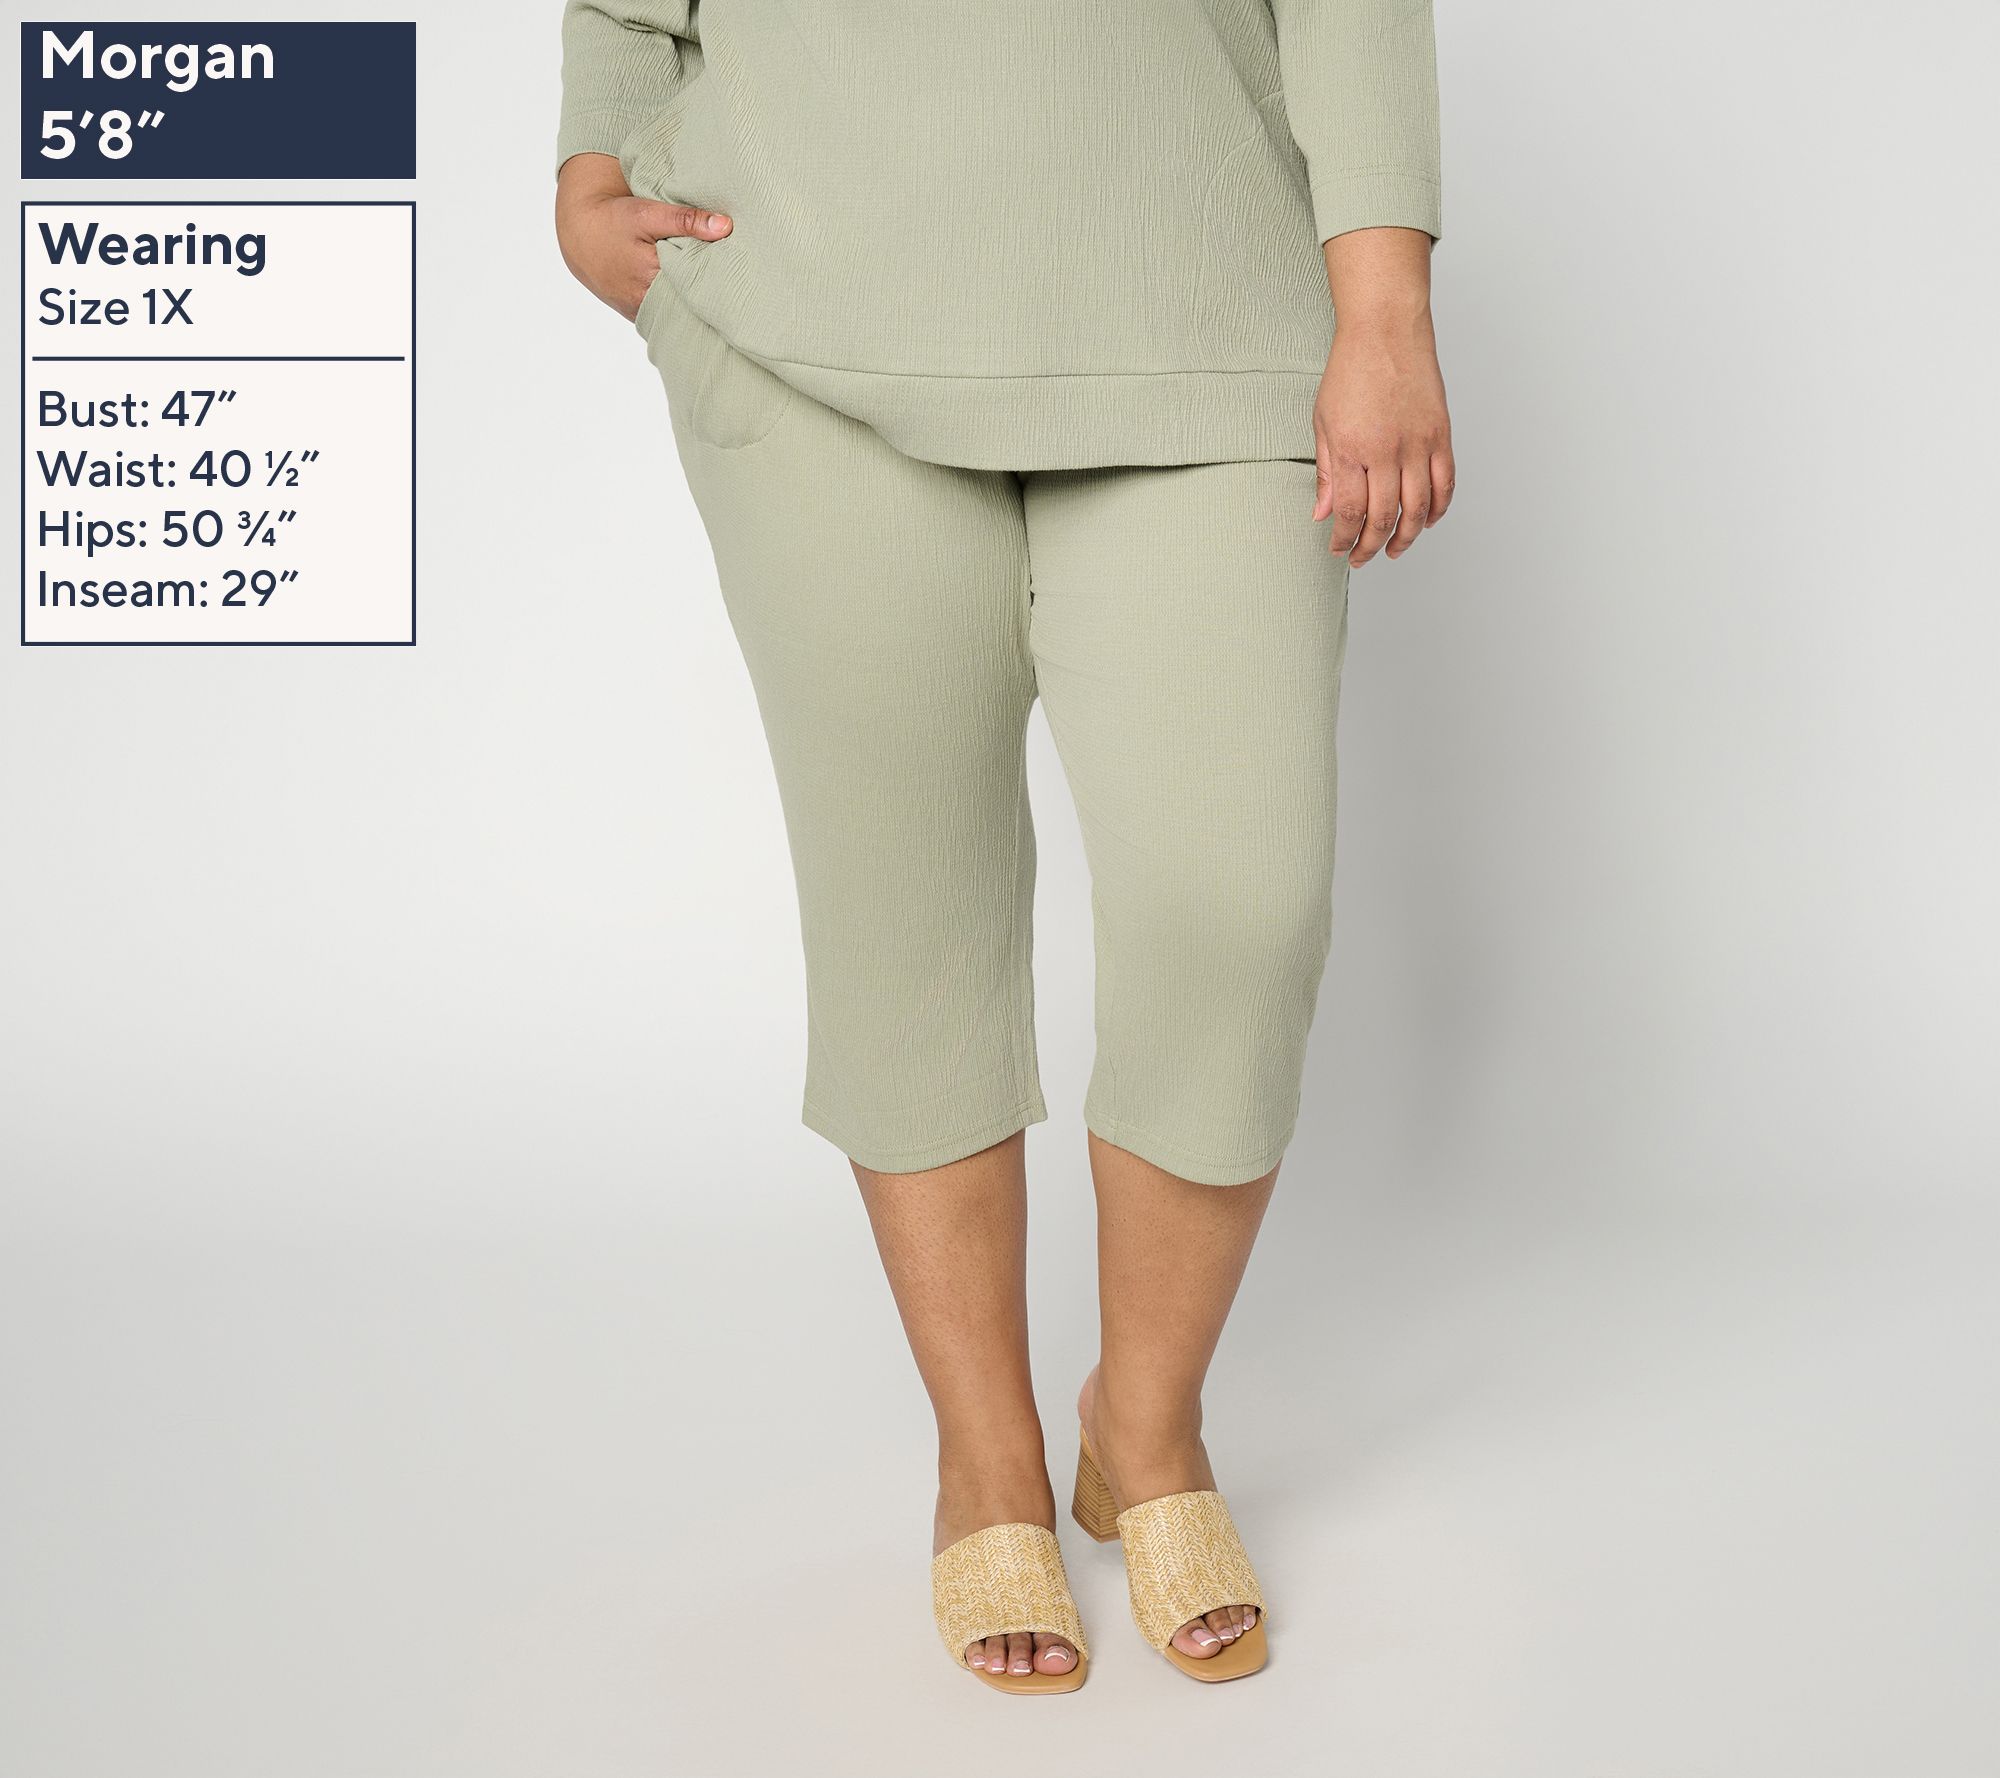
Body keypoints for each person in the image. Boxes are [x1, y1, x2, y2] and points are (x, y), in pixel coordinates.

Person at [555, 0, 1451, 1693]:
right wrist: (588, 169)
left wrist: (1385, 305)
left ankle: (1147, 1426)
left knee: (1239, 907)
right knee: (905, 916)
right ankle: (986, 1456)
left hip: (1207, 312)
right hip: (801, 331)